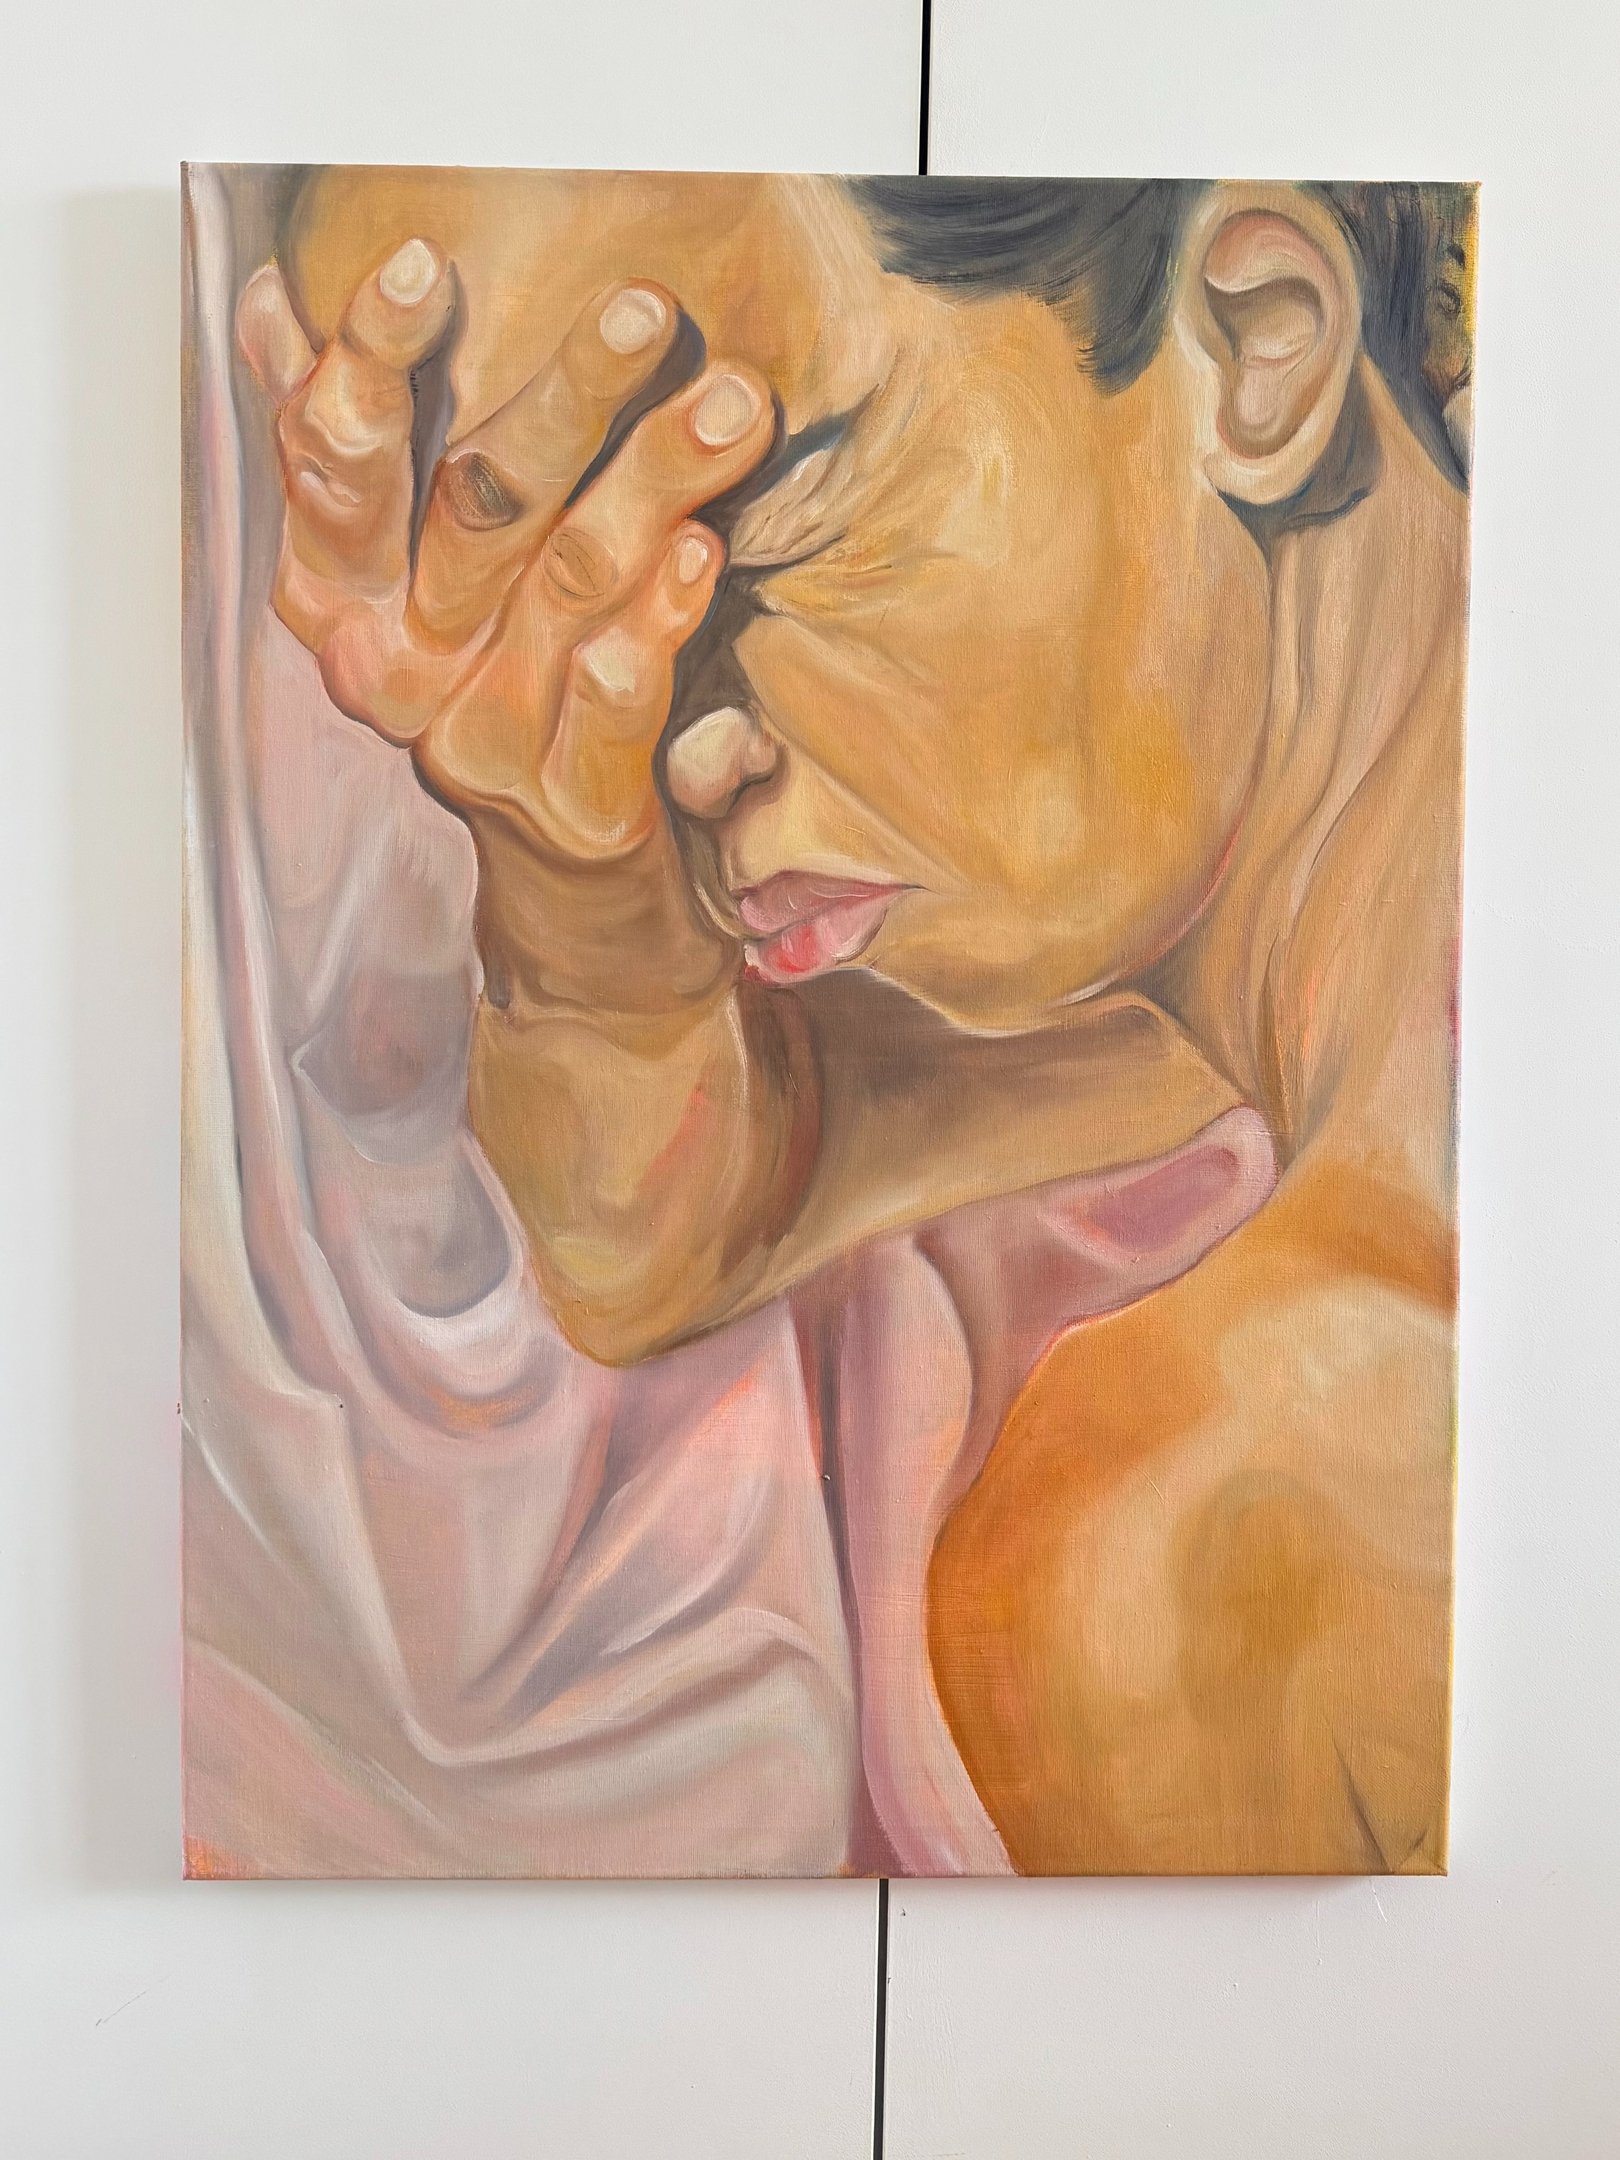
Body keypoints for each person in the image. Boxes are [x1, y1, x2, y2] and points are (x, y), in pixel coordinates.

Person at [204, 167, 1468, 1874]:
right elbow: (688, 1228)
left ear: (1258, 346)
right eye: (540, 612)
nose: (673, 749)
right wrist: (571, 878)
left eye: (762, 515)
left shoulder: (1223, 1544)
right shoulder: (1257, 1018)